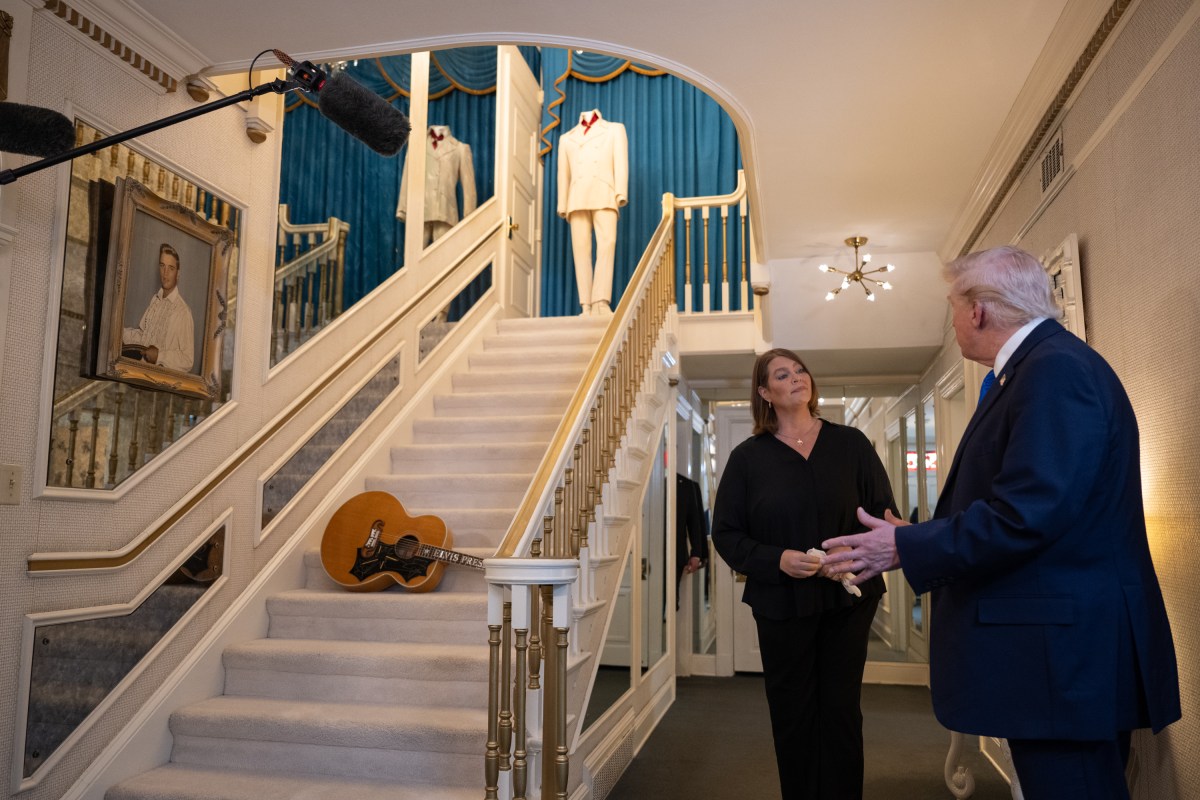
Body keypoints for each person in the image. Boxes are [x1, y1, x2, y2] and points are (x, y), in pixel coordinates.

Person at [821, 245, 1180, 799]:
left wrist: (903, 547)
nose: (954, 318)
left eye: (952, 305)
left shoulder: (1054, 370)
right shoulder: (1035, 369)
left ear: (978, 311)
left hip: (1061, 658)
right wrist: (916, 534)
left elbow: (1028, 512)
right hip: (1056, 653)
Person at [711, 348, 896, 799]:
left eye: (799, 370)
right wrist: (777, 560)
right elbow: (726, 534)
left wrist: (865, 548)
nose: (796, 378)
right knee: (792, 712)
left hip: (848, 597)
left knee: (841, 710)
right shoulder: (747, 458)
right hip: (781, 605)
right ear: (764, 393)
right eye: (782, 374)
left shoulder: (851, 443)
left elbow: (883, 516)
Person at [556, 108, 628, 316]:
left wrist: (620, 192)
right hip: (576, 196)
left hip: (604, 190)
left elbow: (621, 163)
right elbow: (564, 174)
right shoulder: (566, 138)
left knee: (607, 244)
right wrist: (562, 203)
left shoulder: (614, 130)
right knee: (581, 250)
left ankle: (601, 301)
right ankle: (586, 304)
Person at [396, 124, 476, 246]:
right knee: (413, 257)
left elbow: (469, 187)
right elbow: (408, 176)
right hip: (420, 211)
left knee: (445, 258)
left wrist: (469, 217)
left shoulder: (460, 148)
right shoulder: (417, 146)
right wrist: (403, 209)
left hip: (446, 212)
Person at [122, 242, 195, 372]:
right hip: (139, 373)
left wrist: (159, 356)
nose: (165, 273)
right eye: (162, 266)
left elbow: (187, 360)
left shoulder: (183, 312)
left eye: (171, 268)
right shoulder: (155, 300)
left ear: (178, 273)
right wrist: (118, 332)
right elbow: (143, 337)